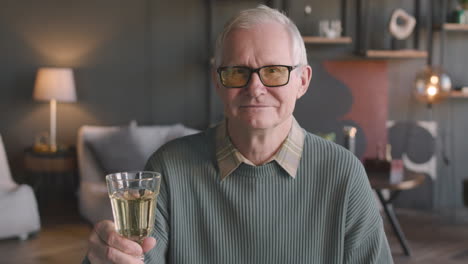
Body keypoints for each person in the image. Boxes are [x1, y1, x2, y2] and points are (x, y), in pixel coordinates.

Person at [83, 5, 393, 264]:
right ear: (218, 81)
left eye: (273, 71)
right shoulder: (169, 168)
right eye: (237, 72)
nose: (255, 88)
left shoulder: (344, 174)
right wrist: (106, 256)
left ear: (302, 80)